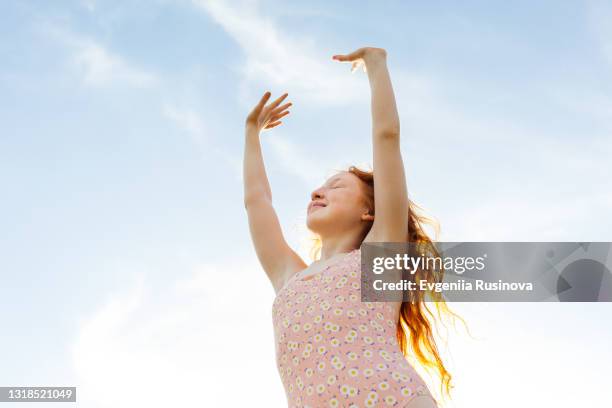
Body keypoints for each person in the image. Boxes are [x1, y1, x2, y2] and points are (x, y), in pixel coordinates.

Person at [243, 46, 451, 407]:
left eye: (336, 186)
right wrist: (251, 134)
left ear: (369, 211)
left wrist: (376, 64)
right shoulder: (288, 277)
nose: (317, 191)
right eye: (322, 186)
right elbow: (257, 202)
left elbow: (387, 135)